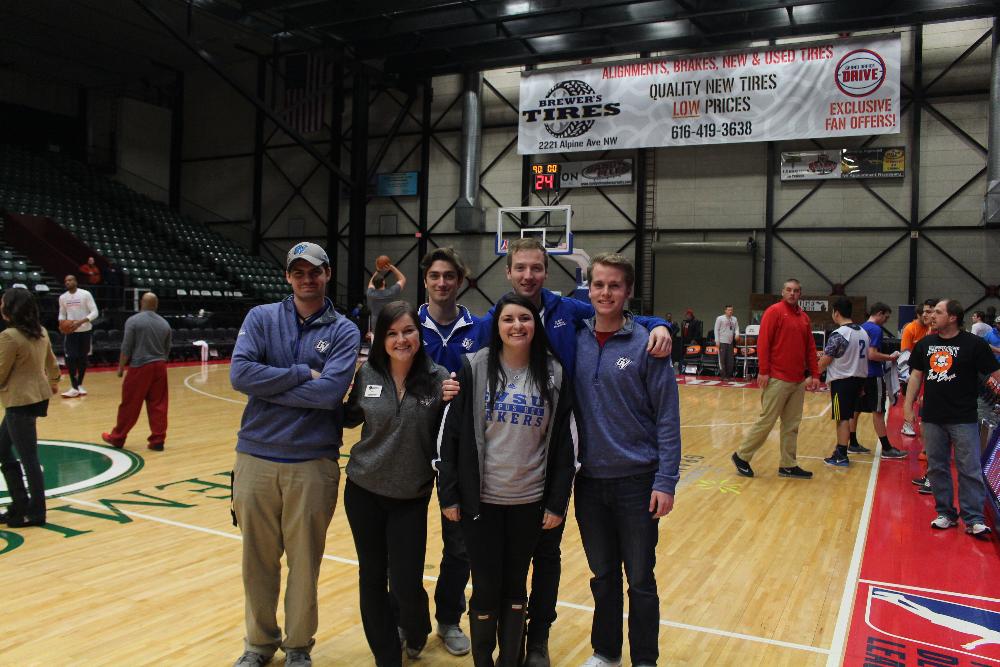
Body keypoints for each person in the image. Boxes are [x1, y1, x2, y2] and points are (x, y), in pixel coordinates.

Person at [477, 238, 671, 667]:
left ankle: (631, 657)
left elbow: (625, 320)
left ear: (547, 272)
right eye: (520, 268)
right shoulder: (499, 318)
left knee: (628, 575)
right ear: (508, 272)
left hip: (611, 474)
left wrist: (662, 324)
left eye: (536, 268)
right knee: (599, 574)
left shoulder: (572, 315)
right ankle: (602, 652)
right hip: (550, 468)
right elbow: (467, 358)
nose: (528, 275)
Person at [229, 242, 360, 667]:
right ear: (287, 276)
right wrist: (301, 373)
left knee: (305, 564)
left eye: (314, 271)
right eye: (298, 271)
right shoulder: (261, 317)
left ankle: (299, 646)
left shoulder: (344, 330)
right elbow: (240, 373)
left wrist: (270, 385)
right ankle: (258, 644)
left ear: (327, 275)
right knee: (257, 561)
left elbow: (328, 396)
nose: (307, 278)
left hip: (313, 462)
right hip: (255, 458)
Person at [437, 293, 576, 667]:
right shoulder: (474, 367)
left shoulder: (554, 372)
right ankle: (483, 660)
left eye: (525, 319)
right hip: (480, 501)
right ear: (496, 327)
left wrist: (556, 501)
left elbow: (564, 445)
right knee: (485, 587)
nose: (517, 326)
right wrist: (449, 495)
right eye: (508, 319)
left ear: (536, 325)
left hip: (529, 502)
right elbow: (450, 438)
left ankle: (510, 660)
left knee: (516, 587)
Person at [573, 254, 681, 667]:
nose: (605, 293)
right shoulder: (576, 340)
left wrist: (666, 480)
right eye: (598, 285)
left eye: (614, 286)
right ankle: (605, 652)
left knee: (639, 579)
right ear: (589, 288)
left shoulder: (648, 344)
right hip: (588, 482)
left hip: (638, 481)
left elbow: (667, 417)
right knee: (602, 577)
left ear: (628, 291)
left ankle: (644, 660)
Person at [343, 301, 454, 667]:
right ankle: (386, 656)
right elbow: (350, 418)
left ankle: (416, 626)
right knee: (372, 577)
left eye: (408, 331)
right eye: (392, 333)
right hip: (363, 490)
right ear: (380, 339)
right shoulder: (368, 373)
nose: (401, 339)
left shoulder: (440, 380)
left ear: (419, 336)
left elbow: (449, 438)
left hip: (410, 496)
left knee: (406, 583)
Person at [416, 246, 487, 656]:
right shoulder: (407, 326)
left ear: (460, 281)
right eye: (435, 276)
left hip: (459, 455)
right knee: (405, 545)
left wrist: (652, 321)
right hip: (409, 448)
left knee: (458, 544)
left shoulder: (479, 328)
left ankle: (447, 619)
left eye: (449, 276)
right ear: (425, 279)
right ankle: (408, 623)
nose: (442, 283)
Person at [904, 299, 1000, 539]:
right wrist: (908, 405)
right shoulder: (925, 344)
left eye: (937, 312)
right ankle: (945, 513)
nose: (931, 316)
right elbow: (916, 376)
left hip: (963, 417)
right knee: (937, 467)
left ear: (953, 317)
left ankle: (974, 518)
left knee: (970, 468)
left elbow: (995, 372)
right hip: (933, 416)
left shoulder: (975, 345)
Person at [731, 279, 820, 479]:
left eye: (796, 291)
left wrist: (815, 374)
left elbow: (810, 348)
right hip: (777, 378)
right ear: (782, 292)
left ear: (800, 294)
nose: (792, 294)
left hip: (797, 381)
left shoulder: (804, 318)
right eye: (789, 290)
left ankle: (788, 464)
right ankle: (741, 456)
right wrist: (763, 371)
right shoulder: (774, 312)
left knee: (792, 425)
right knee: (767, 421)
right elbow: (763, 342)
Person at [0, 288, 60, 528]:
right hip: (35, 397)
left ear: (10, 308)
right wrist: (54, 381)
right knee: (2, 450)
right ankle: (20, 503)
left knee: (29, 458)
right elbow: (52, 362)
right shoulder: (41, 331)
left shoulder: (9, 336)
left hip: (20, 400)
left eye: (2, 302)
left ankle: (36, 513)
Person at [100, 293, 172, 451]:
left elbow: (126, 346)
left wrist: (120, 368)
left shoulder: (133, 321)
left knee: (130, 404)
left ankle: (118, 437)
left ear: (141, 303)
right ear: (156, 304)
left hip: (140, 366)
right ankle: (158, 440)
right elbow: (167, 349)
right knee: (159, 405)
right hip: (160, 366)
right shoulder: (165, 324)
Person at [850, 303, 907, 459]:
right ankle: (887, 448)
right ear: (880, 313)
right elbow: (872, 354)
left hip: (858, 374)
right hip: (872, 374)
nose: (885, 321)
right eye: (886, 317)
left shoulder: (860, 328)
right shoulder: (875, 329)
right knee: (879, 411)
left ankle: (852, 443)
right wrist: (890, 357)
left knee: (856, 409)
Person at [818, 298, 871, 467]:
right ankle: (841, 451)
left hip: (842, 380)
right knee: (847, 416)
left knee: (841, 418)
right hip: (858, 379)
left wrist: (812, 373)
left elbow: (827, 359)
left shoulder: (840, 334)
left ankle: (841, 454)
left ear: (836, 313)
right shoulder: (863, 332)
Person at [58, 274, 99, 398]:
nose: (68, 282)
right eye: (66, 281)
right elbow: (62, 314)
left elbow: (95, 312)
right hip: (71, 333)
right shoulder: (62, 297)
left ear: (75, 281)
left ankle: (79, 384)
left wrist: (80, 322)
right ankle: (74, 386)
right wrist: (61, 324)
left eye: (70, 280)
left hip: (85, 331)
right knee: (71, 358)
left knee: (82, 359)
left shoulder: (85, 294)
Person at [899, 299, 936, 437]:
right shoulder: (910, 329)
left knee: (921, 400)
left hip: (927, 371)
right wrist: (906, 374)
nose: (926, 315)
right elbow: (905, 352)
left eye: (929, 312)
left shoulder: (930, 329)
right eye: (924, 313)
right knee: (911, 398)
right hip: (913, 369)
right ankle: (907, 424)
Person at [366, 263, 407, 335]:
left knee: (377, 344)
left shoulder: (370, 294)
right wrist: (391, 267)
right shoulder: (390, 293)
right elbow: (402, 279)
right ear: (383, 282)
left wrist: (378, 271)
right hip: (389, 325)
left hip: (376, 327)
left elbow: (371, 283)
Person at [713, 305, 739, 381]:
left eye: (731, 310)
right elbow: (716, 330)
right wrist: (717, 340)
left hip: (730, 342)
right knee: (722, 359)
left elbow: (737, 328)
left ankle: (728, 375)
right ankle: (723, 376)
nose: (730, 311)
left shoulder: (734, 319)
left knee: (730, 360)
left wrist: (737, 334)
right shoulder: (720, 318)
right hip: (722, 342)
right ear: (725, 311)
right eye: (728, 310)